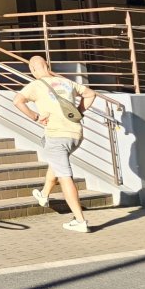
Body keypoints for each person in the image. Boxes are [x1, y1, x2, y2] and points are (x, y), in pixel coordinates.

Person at [13, 55, 97, 233]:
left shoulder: (35, 85)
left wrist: (35, 117)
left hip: (57, 135)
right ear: (48, 65)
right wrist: (78, 111)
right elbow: (90, 94)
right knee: (57, 163)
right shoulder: (65, 82)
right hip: (75, 134)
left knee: (65, 176)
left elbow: (17, 101)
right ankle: (44, 194)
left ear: (33, 70)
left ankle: (80, 220)